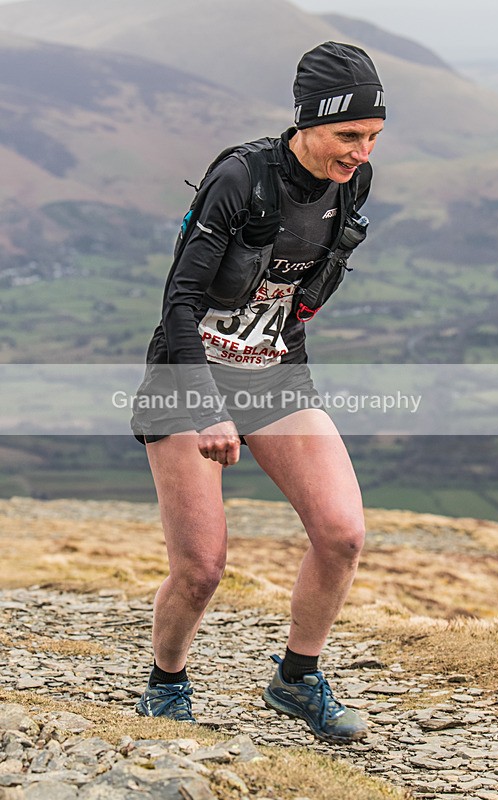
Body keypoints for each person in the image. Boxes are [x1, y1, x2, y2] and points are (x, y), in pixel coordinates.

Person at [132, 41, 385, 744]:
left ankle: (296, 681)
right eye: (347, 135)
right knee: (202, 569)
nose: (360, 151)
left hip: (274, 376)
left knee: (341, 534)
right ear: (306, 123)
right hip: (188, 381)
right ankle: (166, 685)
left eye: (371, 137)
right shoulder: (241, 177)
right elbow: (179, 302)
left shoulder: (350, 183)